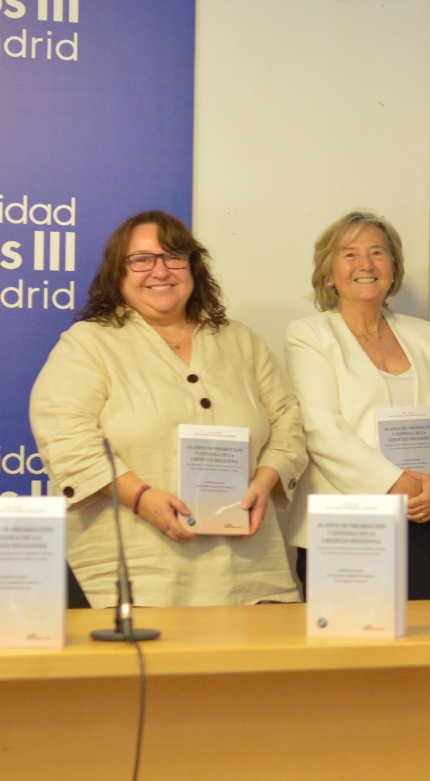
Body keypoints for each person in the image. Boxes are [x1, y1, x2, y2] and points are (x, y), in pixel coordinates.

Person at [30, 210, 305, 607]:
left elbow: (289, 424)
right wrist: (142, 498)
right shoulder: (88, 344)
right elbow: (65, 436)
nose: (160, 270)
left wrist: (265, 482)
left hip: (250, 575)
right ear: (118, 274)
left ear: (193, 267)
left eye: (174, 256)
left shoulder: (243, 342)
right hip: (134, 575)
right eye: (141, 259)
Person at [284, 211, 430, 600]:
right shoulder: (310, 335)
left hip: (426, 519)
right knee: (349, 659)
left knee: (418, 656)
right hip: (346, 529)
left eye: (377, 253)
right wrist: (397, 484)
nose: (366, 265)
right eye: (350, 254)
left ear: (393, 268)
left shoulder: (422, 334)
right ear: (329, 273)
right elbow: (322, 430)